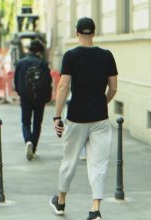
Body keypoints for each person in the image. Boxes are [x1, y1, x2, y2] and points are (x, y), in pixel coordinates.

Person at [50, 17, 118, 220]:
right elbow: (113, 88)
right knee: (98, 163)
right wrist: (102, 102)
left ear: (77, 34)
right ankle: (95, 209)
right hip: (100, 119)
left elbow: (63, 87)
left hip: (76, 118)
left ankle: (61, 202)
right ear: (94, 34)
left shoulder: (71, 56)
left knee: (69, 160)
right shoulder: (107, 56)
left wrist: (57, 116)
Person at [14, 39, 52, 161]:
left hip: (25, 98)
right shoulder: (42, 63)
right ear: (40, 52)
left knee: (25, 122)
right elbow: (48, 81)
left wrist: (20, 93)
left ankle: (28, 141)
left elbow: (16, 82)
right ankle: (33, 149)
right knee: (37, 123)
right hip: (39, 98)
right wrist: (46, 97)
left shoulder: (20, 63)